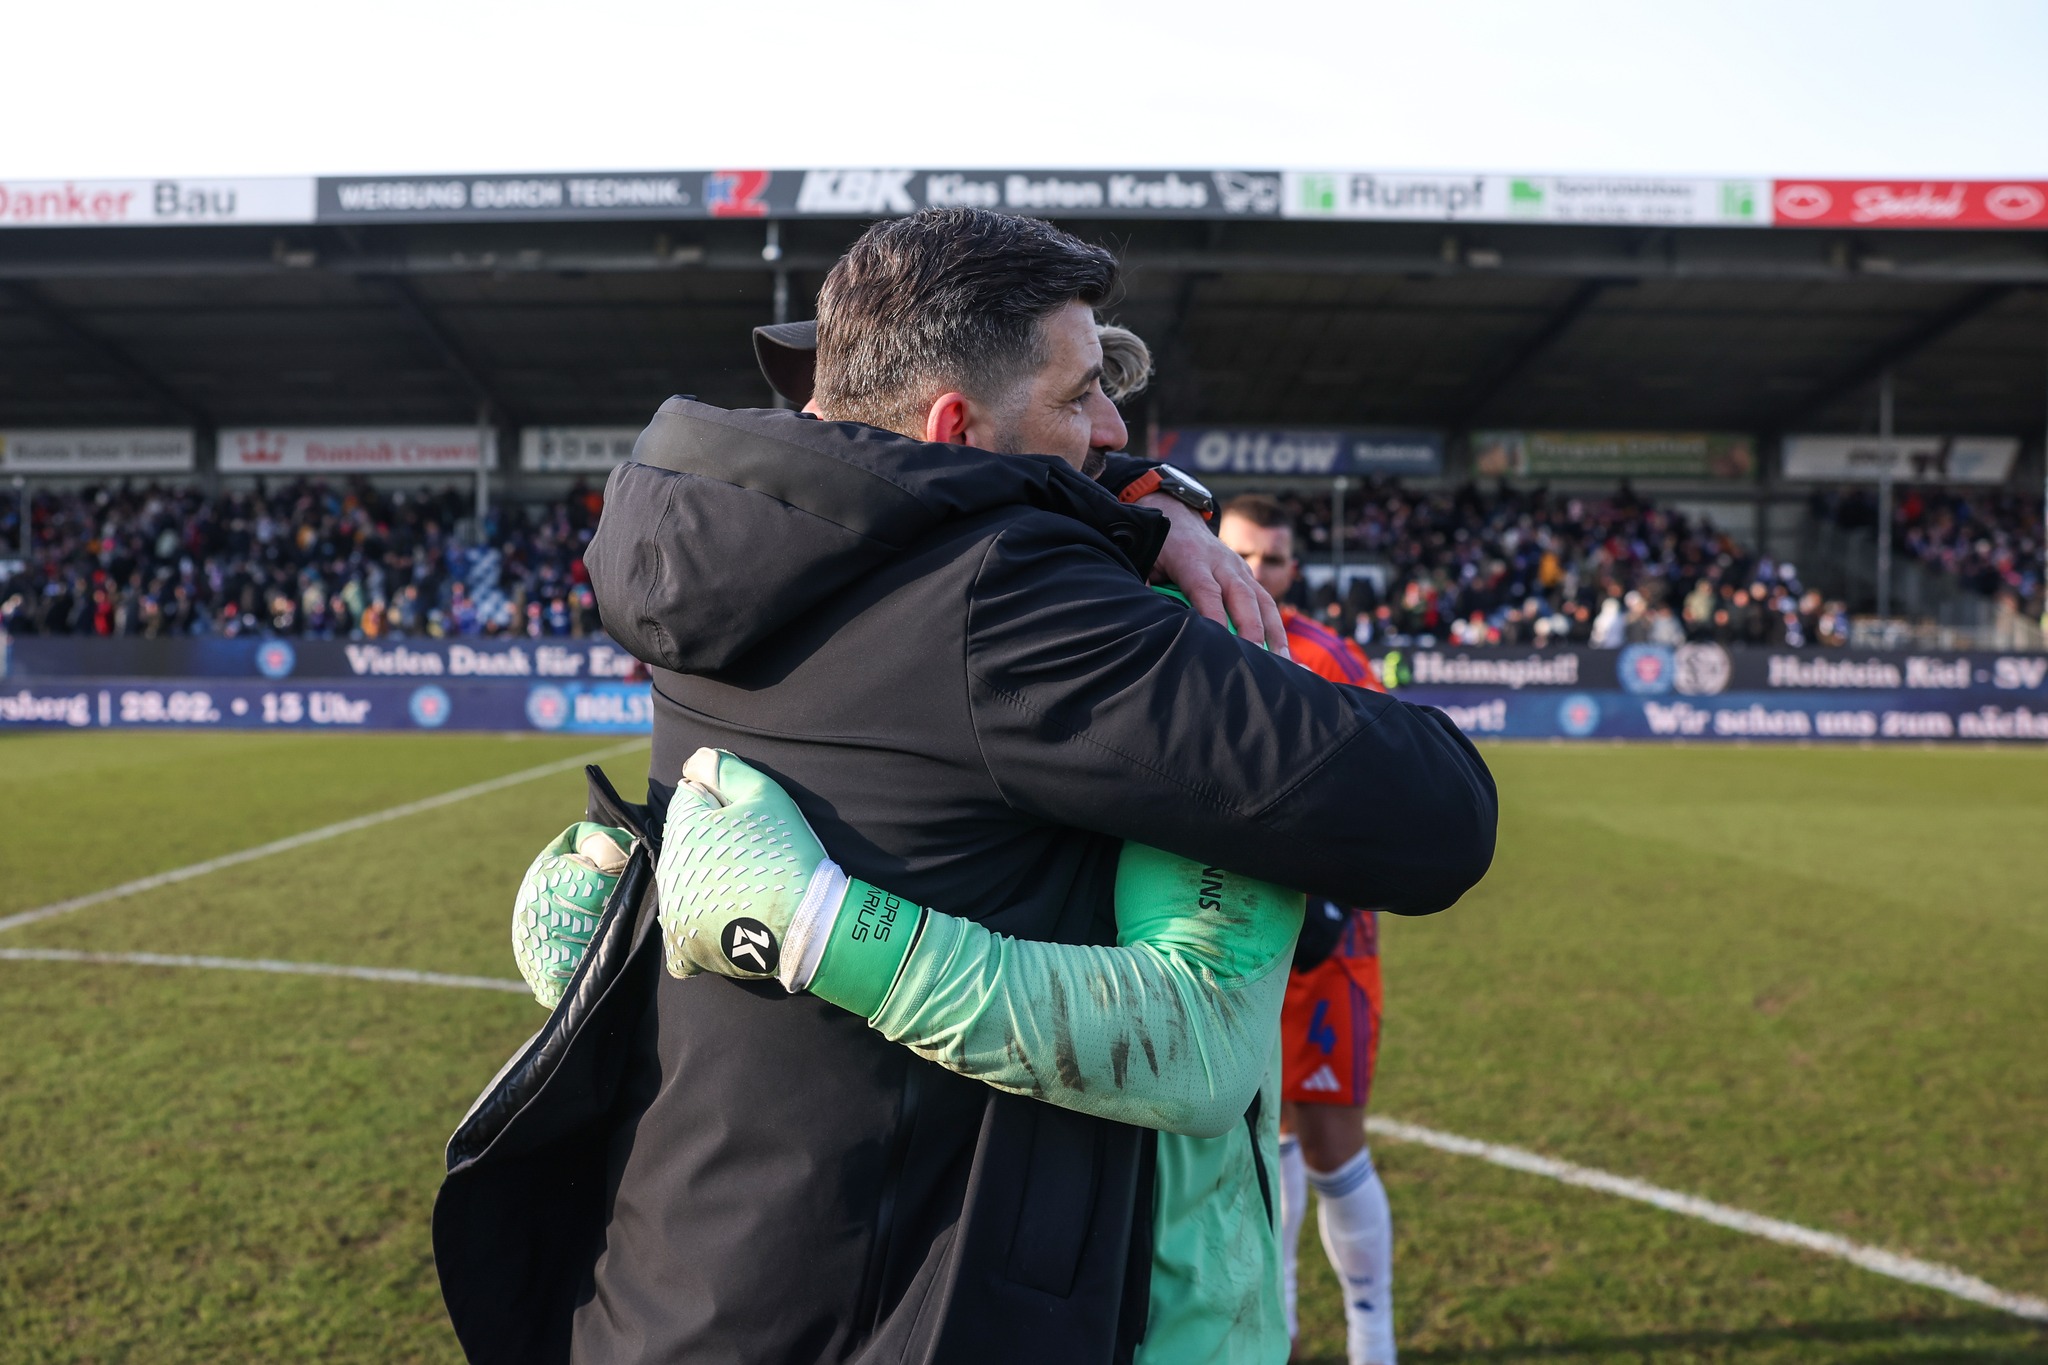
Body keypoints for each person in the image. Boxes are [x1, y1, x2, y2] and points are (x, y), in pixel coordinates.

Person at [436, 208, 1496, 1365]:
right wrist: (1144, 529)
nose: (1112, 426)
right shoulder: (1003, 606)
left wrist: (1133, 500)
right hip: (886, 1309)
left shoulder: (704, 551)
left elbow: (874, 463)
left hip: (671, 1271)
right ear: (952, 426)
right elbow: (1433, 817)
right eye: (1082, 395)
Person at [1216, 494, 1397, 1365]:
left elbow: (1384, 793)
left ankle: (1374, 1340)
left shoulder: (1335, 658)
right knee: (1260, 1143)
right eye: (1242, 556)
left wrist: (1331, 891)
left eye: (1273, 561)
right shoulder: (1182, 636)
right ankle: (1277, 1332)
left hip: (1326, 954)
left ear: (1295, 569)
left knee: (1330, 1144)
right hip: (1229, 943)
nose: (1257, 575)